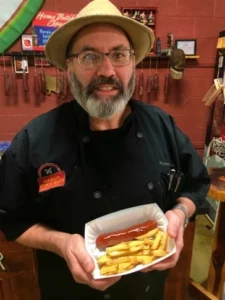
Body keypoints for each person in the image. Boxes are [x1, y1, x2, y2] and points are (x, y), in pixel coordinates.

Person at [0, 0, 210, 299]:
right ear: (69, 65)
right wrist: (60, 242)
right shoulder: (34, 139)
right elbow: (10, 217)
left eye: (119, 54)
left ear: (133, 61)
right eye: (90, 56)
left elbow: (195, 185)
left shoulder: (162, 125)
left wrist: (179, 214)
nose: (107, 70)